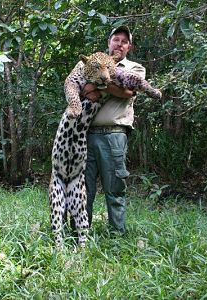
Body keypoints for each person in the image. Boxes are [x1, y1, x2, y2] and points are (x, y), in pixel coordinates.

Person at [82, 26, 146, 234]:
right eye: (116, 39)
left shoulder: (135, 68)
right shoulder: (92, 64)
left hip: (114, 134)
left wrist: (100, 83)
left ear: (129, 47)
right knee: (84, 189)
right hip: (87, 134)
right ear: (109, 42)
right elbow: (84, 90)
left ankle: (117, 236)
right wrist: (107, 84)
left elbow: (128, 92)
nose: (119, 44)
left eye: (124, 41)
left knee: (115, 188)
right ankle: (80, 233)